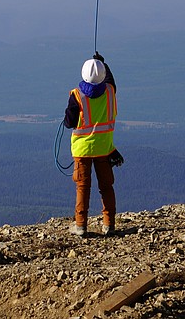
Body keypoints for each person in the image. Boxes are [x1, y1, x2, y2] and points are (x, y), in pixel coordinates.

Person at [63, 53, 122, 237]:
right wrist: (103, 63)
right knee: (106, 187)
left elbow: (69, 122)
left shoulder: (77, 96)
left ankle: (80, 226)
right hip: (104, 148)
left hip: (82, 150)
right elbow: (111, 80)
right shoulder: (110, 91)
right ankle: (109, 225)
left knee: (83, 187)